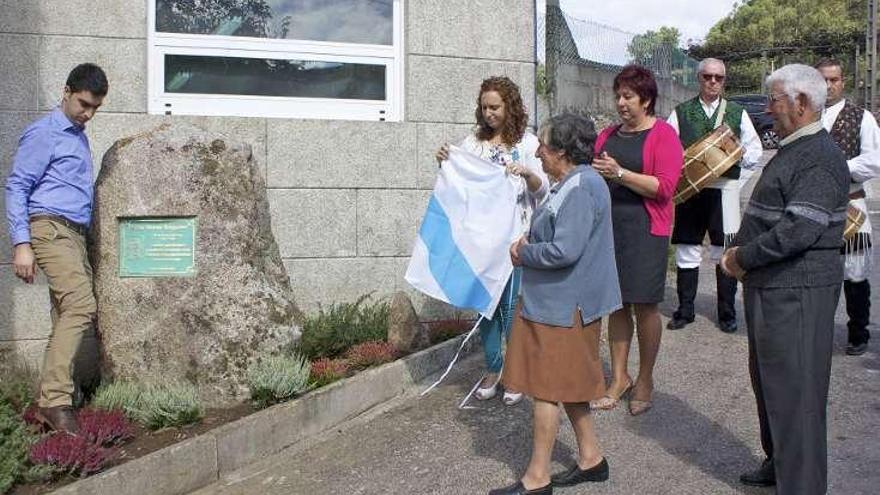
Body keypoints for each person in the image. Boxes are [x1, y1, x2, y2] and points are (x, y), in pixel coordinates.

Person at [722, 64, 849, 495]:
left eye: (773, 99)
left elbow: (799, 230)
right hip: (774, 287)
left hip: (797, 289)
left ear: (801, 102)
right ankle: (780, 463)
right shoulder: (796, 149)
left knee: (797, 396)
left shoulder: (820, 157)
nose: (767, 109)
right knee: (772, 384)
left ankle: (802, 485)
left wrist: (741, 256)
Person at [490, 113, 621, 495]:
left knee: (546, 389)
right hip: (558, 301)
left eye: (544, 146)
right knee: (569, 383)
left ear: (562, 151)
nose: (539, 153)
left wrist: (525, 252)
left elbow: (565, 250)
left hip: (565, 305)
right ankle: (591, 458)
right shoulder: (572, 182)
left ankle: (537, 478)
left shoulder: (581, 187)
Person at [5, 63, 108, 434]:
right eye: (83, 104)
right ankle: (54, 401)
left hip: (73, 234)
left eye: (95, 108)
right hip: (49, 228)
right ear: (66, 92)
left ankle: (57, 398)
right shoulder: (45, 133)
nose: (88, 114)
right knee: (81, 305)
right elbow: (17, 186)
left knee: (64, 311)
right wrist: (22, 244)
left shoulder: (77, 134)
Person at [435, 76, 549, 406]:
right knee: (484, 307)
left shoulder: (528, 144)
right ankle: (493, 367)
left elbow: (543, 191)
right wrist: (444, 160)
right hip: (479, 243)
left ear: (510, 106)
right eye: (484, 107)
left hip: (514, 240)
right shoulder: (473, 143)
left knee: (511, 308)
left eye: (495, 107)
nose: (489, 113)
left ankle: (515, 371)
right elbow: (457, 183)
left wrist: (528, 175)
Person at [590, 65, 683, 415]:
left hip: (646, 229)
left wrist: (620, 173)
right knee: (616, 304)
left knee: (644, 306)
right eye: (618, 96)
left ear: (646, 100)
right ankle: (619, 377)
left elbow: (664, 188)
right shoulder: (608, 135)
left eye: (628, 96)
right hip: (609, 230)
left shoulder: (663, 136)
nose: (620, 103)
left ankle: (645, 378)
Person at [666, 58, 763, 333]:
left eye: (718, 77)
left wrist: (735, 182)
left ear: (724, 80)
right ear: (699, 78)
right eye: (707, 76)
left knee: (725, 252)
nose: (712, 81)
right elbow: (670, 151)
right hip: (691, 192)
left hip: (725, 191)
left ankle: (727, 313)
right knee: (687, 249)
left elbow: (754, 151)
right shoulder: (681, 112)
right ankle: (685, 310)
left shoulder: (736, 111)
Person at [815, 58, 880, 356]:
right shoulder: (806, 114)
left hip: (851, 205)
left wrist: (838, 166)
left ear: (843, 82)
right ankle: (815, 331)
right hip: (813, 208)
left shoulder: (862, 117)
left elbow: (874, 160)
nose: (828, 86)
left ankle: (858, 334)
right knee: (816, 272)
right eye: (823, 80)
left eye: (834, 80)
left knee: (854, 272)